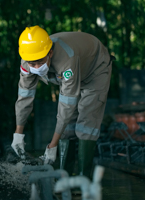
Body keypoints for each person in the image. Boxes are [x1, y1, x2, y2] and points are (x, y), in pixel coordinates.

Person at [10, 25, 113, 177]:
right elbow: (24, 97)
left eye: (40, 62)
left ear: (50, 53)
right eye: (32, 64)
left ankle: (83, 180)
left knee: (86, 123)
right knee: (67, 127)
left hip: (95, 70)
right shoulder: (28, 59)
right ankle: (64, 177)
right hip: (75, 67)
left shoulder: (67, 60)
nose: (36, 67)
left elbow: (67, 104)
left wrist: (52, 146)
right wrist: (18, 135)